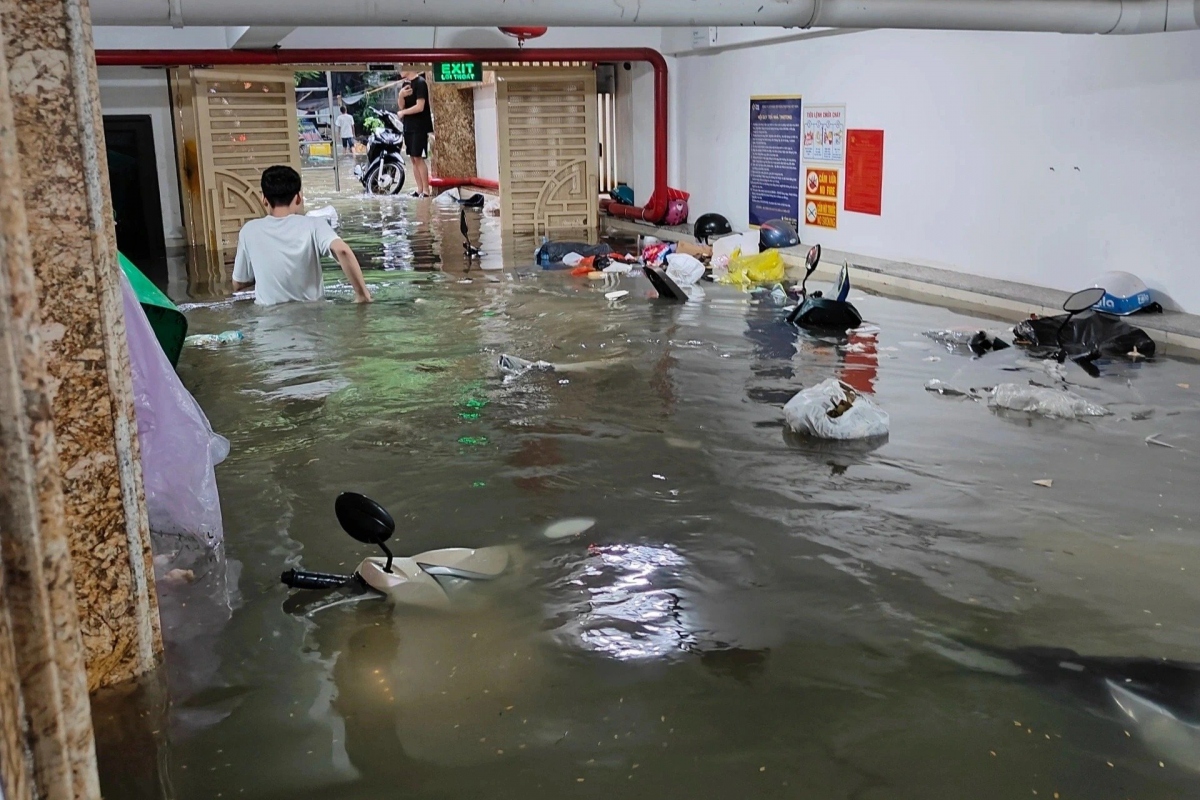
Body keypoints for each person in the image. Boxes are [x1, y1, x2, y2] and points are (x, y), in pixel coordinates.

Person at [233, 165, 372, 305]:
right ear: (298, 198)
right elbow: (342, 251)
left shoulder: (249, 230)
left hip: (267, 322)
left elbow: (238, 284)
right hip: (311, 320)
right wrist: (362, 295)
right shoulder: (314, 225)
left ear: (264, 199)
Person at [397, 69, 433, 198]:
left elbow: (420, 106)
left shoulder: (421, 83)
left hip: (419, 126)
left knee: (418, 157)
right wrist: (401, 95)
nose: (400, 70)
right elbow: (401, 106)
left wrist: (403, 113)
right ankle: (419, 189)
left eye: (402, 67)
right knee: (412, 158)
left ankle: (426, 190)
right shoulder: (405, 84)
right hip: (408, 126)